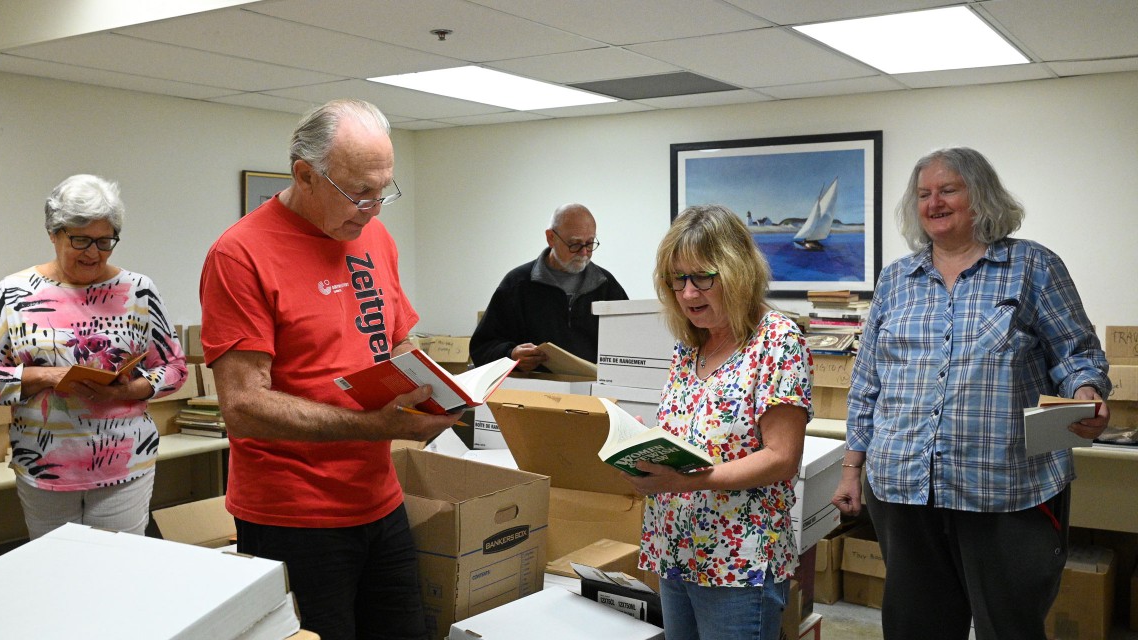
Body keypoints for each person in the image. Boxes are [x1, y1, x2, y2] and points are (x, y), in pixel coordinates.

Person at [199, 99, 460, 640]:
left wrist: (436, 389)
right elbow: (243, 407)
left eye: (383, 190)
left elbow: (397, 337)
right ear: (304, 174)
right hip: (292, 517)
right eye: (359, 193)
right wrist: (378, 426)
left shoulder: (374, 237)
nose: (374, 208)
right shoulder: (240, 254)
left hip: (378, 499)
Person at [830, 147, 1111, 640]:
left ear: (980, 197)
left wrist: (1086, 392)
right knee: (918, 627)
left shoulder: (1032, 265)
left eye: (948, 190)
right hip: (903, 487)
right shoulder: (897, 279)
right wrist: (852, 469)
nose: (934, 202)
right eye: (924, 194)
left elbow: (1075, 351)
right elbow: (868, 382)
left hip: (1007, 488)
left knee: (1010, 626)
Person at [0, 174, 188, 539]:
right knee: (57, 573)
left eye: (104, 241)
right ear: (54, 233)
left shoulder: (138, 291)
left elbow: (174, 368)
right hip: (44, 464)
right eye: (80, 239)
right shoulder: (14, 293)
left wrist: (129, 391)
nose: (93, 253)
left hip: (125, 462)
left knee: (116, 571)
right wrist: (47, 377)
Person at [627, 204, 811, 640]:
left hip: (738, 562)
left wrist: (686, 482)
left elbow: (782, 458)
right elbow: (688, 438)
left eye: (702, 278)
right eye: (678, 280)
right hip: (674, 548)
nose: (689, 293)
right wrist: (640, 452)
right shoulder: (688, 348)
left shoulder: (778, 342)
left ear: (737, 271)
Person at [469, 203, 627, 372]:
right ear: (551, 238)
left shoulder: (606, 285)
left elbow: (631, 344)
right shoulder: (518, 284)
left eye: (589, 244)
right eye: (574, 244)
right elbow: (482, 348)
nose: (584, 253)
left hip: (592, 392)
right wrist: (511, 355)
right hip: (533, 391)